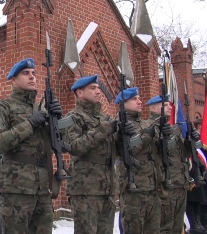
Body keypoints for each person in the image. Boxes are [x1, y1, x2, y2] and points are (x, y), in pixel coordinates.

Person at [0, 58, 63, 234]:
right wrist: (29, 124)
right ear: (13, 80)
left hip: (42, 189)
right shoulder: (4, 107)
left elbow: (61, 145)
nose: (32, 77)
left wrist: (57, 120)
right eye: (25, 73)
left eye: (34, 73)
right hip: (15, 189)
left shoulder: (41, 110)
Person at [65, 75, 135, 234]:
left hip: (107, 188)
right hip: (85, 189)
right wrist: (106, 129)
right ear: (80, 93)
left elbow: (117, 152)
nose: (98, 91)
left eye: (98, 88)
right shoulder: (73, 117)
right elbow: (75, 146)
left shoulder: (105, 118)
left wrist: (123, 135)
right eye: (93, 88)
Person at [115, 87, 164, 234]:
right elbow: (128, 150)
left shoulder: (145, 123)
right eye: (134, 99)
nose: (139, 101)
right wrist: (146, 136)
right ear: (123, 103)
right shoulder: (119, 125)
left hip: (152, 185)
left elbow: (158, 152)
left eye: (139, 98)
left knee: (153, 229)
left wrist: (164, 138)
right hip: (134, 186)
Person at [145, 95, 191, 233]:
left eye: (169, 105)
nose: (170, 107)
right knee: (165, 225)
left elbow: (183, 154)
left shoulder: (175, 129)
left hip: (180, 181)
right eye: (165, 105)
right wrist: (160, 137)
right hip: (165, 183)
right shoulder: (148, 127)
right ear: (153, 108)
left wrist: (190, 142)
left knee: (177, 225)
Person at [186, 119, 207, 234]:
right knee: (192, 200)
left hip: (199, 172)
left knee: (200, 200)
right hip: (190, 173)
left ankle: (198, 222)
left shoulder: (198, 140)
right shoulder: (189, 139)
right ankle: (194, 223)